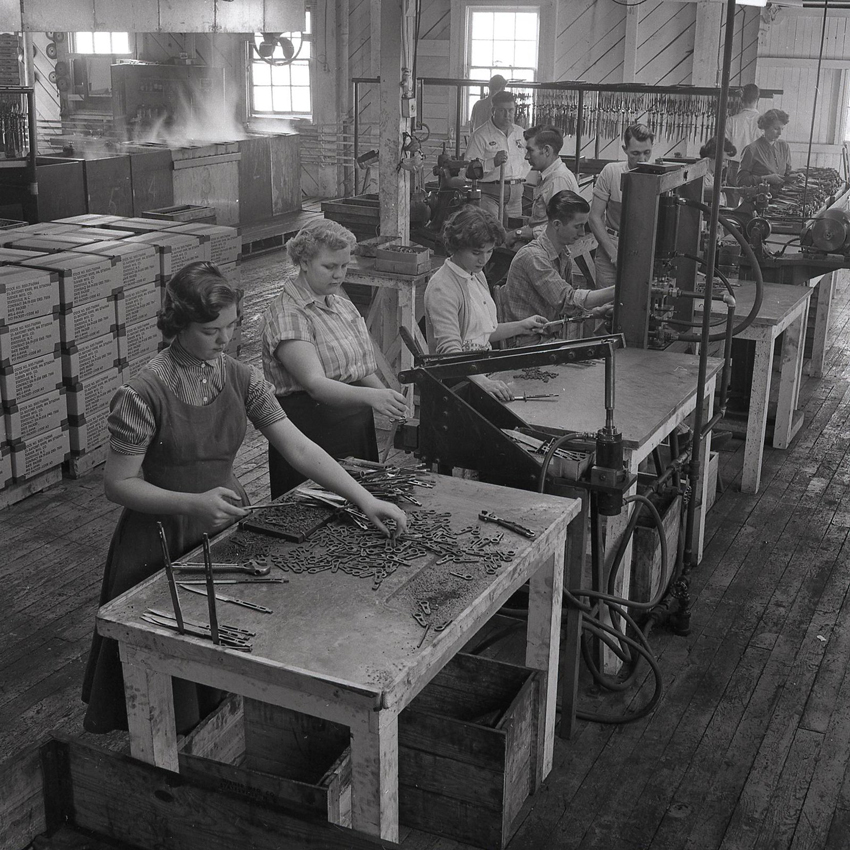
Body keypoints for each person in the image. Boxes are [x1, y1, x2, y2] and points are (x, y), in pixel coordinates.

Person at [81, 262, 407, 735]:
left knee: (225, 652)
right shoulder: (141, 393)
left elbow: (299, 447)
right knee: (162, 667)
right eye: (211, 330)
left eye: (232, 327)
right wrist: (192, 504)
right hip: (160, 536)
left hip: (223, 528)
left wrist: (363, 499)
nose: (225, 340)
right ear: (177, 325)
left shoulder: (242, 378)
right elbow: (119, 485)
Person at [262, 220, 408, 499]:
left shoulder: (339, 304)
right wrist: (371, 398)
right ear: (304, 262)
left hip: (354, 428)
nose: (338, 275)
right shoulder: (289, 314)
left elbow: (359, 368)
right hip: (310, 436)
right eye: (329, 267)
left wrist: (389, 399)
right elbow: (315, 384)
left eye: (343, 266)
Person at [424, 206, 547, 400]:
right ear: (456, 245)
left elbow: (482, 333)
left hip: (481, 370)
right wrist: (483, 382)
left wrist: (522, 326)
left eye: (489, 251)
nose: (483, 259)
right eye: (476, 252)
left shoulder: (476, 274)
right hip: (457, 382)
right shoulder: (442, 287)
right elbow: (450, 352)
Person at [497, 190, 615, 344]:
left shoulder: (563, 254)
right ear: (557, 224)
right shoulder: (533, 257)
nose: (582, 233)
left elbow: (566, 310)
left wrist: (595, 313)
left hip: (546, 338)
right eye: (578, 226)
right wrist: (617, 290)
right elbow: (568, 300)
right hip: (527, 343)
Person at [588, 123, 654, 289]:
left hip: (644, 248)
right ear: (625, 149)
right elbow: (594, 217)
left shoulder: (659, 178)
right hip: (611, 245)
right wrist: (613, 254)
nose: (642, 159)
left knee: (638, 303)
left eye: (647, 152)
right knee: (604, 307)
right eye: (635, 153)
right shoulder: (611, 172)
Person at [507, 124, 580, 246]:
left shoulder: (558, 180)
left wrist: (517, 234)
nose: (526, 157)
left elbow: (560, 227)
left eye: (530, 150)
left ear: (546, 151)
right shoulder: (549, 177)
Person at [464, 90, 529, 221]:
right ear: (493, 110)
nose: (507, 115)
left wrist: (521, 177)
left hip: (516, 194)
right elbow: (468, 169)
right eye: (502, 111)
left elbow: (529, 159)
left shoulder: (521, 134)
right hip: (490, 194)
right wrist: (493, 162)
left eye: (511, 110)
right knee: (492, 231)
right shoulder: (480, 135)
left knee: (514, 232)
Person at [736, 109, 792, 189]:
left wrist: (795, 176)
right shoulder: (751, 150)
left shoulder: (784, 147)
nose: (780, 133)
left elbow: (787, 173)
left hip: (780, 198)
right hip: (759, 198)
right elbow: (741, 181)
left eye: (782, 129)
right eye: (776, 128)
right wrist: (765, 179)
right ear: (766, 127)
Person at [725, 83, 760, 185]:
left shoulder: (732, 121)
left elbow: (724, 147)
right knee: (754, 198)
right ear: (758, 100)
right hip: (756, 167)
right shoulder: (763, 121)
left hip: (735, 166)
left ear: (741, 100)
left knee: (732, 198)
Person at [699, 136, 737, 207]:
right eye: (723, 160)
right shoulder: (701, 181)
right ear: (709, 158)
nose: (726, 165)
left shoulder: (712, 178)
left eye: (727, 161)